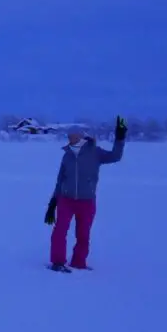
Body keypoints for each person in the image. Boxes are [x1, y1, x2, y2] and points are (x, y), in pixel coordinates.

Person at [44, 116, 127, 273]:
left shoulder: (94, 152)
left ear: (81, 136)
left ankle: (78, 263)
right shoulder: (67, 155)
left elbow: (116, 156)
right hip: (66, 199)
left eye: (73, 136)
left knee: (83, 234)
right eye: (69, 137)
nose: (70, 139)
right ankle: (57, 262)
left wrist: (120, 137)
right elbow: (60, 179)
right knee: (59, 231)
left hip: (87, 201)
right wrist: (53, 201)